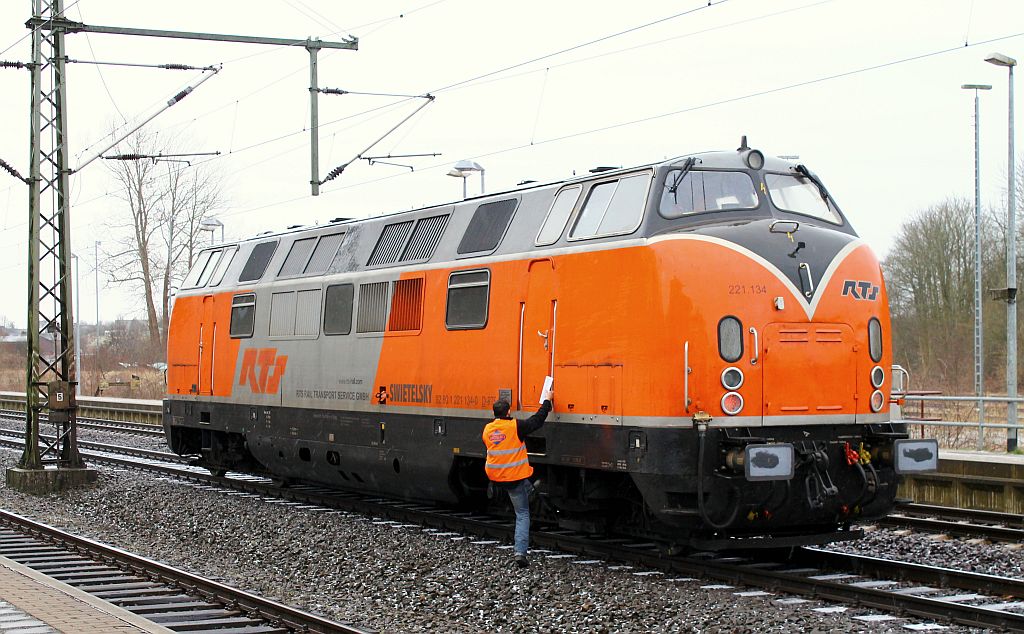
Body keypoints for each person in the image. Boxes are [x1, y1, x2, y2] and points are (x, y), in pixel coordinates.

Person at [482, 386, 553, 569]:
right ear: (509, 411)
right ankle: (520, 553)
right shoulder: (515, 427)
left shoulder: (488, 430)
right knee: (522, 514)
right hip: (513, 478)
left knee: (526, 484)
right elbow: (536, 421)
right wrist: (547, 401)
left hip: (496, 477)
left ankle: (533, 490)